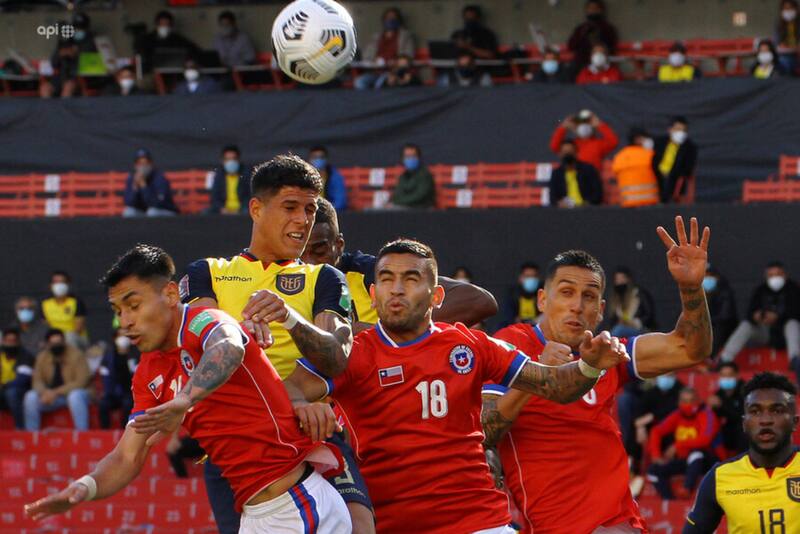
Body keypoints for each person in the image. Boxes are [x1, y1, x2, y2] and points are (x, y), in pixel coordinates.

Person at [286, 238, 630, 533]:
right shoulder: (351, 354)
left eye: (411, 278)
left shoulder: (470, 345)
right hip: (397, 523)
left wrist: (589, 365)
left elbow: (555, 385)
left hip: (480, 519)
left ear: (437, 296)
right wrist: (305, 404)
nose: (398, 288)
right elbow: (289, 391)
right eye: (387, 279)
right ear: (374, 293)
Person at [24, 245, 350, 532]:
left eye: (133, 305)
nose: (125, 322)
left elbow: (229, 347)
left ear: (168, 295)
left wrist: (184, 399)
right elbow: (127, 455)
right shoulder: (148, 374)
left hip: (298, 504)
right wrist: (85, 487)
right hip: (257, 515)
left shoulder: (204, 321)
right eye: (118, 311)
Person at [481, 216, 714, 533]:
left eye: (588, 297)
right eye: (566, 292)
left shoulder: (608, 353)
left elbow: (690, 349)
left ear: (601, 309)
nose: (577, 306)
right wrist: (535, 376)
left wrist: (690, 287)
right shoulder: (510, 345)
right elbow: (484, 432)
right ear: (542, 299)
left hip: (620, 524)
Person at [179, 154, 372, 534]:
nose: (303, 220)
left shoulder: (325, 277)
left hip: (313, 429)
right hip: (240, 443)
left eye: (310, 209)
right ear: (255, 208)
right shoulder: (209, 274)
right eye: (290, 207)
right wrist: (236, 334)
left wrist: (289, 318)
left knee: (360, 525)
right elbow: (197, 355)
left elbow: (336, 356)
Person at [301, 198, 497, 332]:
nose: (309, 262)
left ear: (339, 245)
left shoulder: (372, 272)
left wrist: (387, 333)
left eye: (319, 252)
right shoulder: (280, 276)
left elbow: (479, 301)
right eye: (301, 254)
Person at [683, 372, 800, 533]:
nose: (765, 420)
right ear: (744, 423)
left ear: (795, 422)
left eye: (777, 410)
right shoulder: (720, 477)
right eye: (755, 411)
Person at [719, 261, 800, 383]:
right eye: (771, 275)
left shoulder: (793, 289)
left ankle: (795, 360)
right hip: (766, 333)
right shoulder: (760, 290)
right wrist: (756, 316)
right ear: (766, 276)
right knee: (746, 325)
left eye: (778, 274)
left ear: (784, 275)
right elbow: (749, 313)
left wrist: (778, 317)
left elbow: (796, 313)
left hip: (785, 335)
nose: (775, 278)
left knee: (792, 324)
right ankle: (724, 360)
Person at [646, 387, 719, 500]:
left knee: (696, 453)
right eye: (685, 401)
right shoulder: (677, 414)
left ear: (698, 401)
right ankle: (669, 500)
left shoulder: (707, 414)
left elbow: (705, 439)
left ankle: (687, 489)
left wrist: (677, 445)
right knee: (653, 470)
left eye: (692, 400)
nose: (688, 404)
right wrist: (656, 455)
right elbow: (656, 431)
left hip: (706, 460)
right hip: (684, 461)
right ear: (679, 402)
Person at [23, 329, 91, 431]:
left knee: (75, 396)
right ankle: (32, 435)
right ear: (47, 344)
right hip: (51, 398)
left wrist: (55, 392)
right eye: (53, 343)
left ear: (64, 342)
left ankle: (82, 434)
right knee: (30, 397)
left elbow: (81, 381)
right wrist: (44, 392)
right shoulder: (42, 357)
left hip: (74, 396)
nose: (56, 345)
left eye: (59, 342)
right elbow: (37, 380)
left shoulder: (77, 355)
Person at [355, 7, 416, 90]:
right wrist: (374, 61)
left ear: (398, 20)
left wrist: (395, 63)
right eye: (388, 18)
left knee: (380, 84)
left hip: (393, 72)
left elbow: (407, 57)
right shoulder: (377, 37)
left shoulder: (405, 36)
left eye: (393, 18)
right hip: (376, 72)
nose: (390, 20)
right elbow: (366, 56)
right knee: (360, 82)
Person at [549, 109, 618, 173]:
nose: (584, 126)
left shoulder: (599, 144)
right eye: (580, 123)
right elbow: (554, 147)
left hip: (593, 179)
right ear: (575, 126)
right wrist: (563, 127)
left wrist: (600, 125)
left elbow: (613, 142)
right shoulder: (572, 145)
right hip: (574, 178)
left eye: (587, 123)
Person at [652, 116, 698, 204]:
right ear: (670, 129)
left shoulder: (690, 147)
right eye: (677, 129)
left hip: (678, 185)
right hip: (658, 181)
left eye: (683, 130)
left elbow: (688, 169)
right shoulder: (660, 143)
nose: (680, 133)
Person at [612, 127, 660, 207]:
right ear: (638, 139)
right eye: (645, 138)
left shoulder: (620, 156)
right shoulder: (650, 155)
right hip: (650, 205)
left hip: (627, 205)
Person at [97, 330, 137, 429]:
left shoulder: (135, 354)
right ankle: (104, 433)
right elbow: (104, 375)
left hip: (129, 393)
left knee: (128, 404)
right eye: (120, 335)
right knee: (103, 404)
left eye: (126, 335)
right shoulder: (108, 356)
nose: (123, 338)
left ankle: (125, 432)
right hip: (112, 392)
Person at [123, 148, 179, 217]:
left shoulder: (159, 178)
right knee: (129, 212)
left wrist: (143, 186)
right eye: (139, 163)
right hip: (146, 213)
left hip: (166, 212)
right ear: (135, 165)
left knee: (152, 212)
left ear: (151, 164)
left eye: (145, 163)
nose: (142, 166)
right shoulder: (132, 178)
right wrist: (135, 188)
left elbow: (157, 203)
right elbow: (129, 203)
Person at [604, 266, 656, 338]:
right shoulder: (616, 299)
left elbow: (649, 315)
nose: (620, 282)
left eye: (622, 278)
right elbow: (613, 320)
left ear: (628, 279)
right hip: (623, 328)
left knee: (618, 330)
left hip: (641, 329)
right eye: (617, 279)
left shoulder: (639, 294)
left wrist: (634, 323)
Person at [549, 139, 603, 207]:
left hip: (586, 210)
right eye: (565, 152)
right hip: (565, 211)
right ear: (560, 154)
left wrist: (585, 204)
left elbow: (598, 194)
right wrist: (559, 203)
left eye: (570, 151)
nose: (567, 154)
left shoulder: (588, 170)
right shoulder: (556, 174)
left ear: (576, 153)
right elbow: (552, 198)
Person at [708, 362, 747, 456]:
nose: (726, 378)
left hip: (743, 434)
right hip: (726, 434)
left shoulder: (746, 391)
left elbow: (742, 417)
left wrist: (721, 406)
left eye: (730, 375)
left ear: (737, 376)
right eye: (723, 375)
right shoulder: (718, 394)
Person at [42, 271, 88, 348]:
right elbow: (45, 327)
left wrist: (60, 339)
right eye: (56, 282)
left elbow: (78, 328)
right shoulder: (45, 304)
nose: (59, 285)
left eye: (62, 282)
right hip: (53, 339)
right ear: (50, 285)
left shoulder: (76, 302)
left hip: (76, 339)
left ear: (68, 285)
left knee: (69, 337)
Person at [567, 0, 619, 68]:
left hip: (601, 62)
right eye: (590, 8)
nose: (593, 11)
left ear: (600, 10)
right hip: (582, 63)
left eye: (595, 8)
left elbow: (612, 47)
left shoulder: (608, 28)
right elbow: (571, 46)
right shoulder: (580, 28)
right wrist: (583, 33)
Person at [0, 328, 34, 429]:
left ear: (19, 342)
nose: (10, 344)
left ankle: (20, 428)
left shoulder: (26, 356)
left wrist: (4, 386)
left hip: (20, 390)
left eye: (13, 341)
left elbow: (22, 380)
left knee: (12, 393)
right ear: (2, 341)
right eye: (7, 341)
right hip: (2, 389)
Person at [703, 264, 738, 357]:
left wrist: (707, 321)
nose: (707, 278)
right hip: (704, 327)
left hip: (723, 328)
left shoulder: (725, 292)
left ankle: (711, 358)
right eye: (704, 276)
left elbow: (725, 316)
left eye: (710, 275)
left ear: (717, 277)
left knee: (718, 328)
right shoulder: (696, 293)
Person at [389, 144, 436, 209]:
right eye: (407, 156)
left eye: (413, 156)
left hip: (421, 209)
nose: (411, 159)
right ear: (402, 159)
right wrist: (393, 202)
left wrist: (398, 202)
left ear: (419, 158)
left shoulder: (425, 174)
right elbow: (397, 194)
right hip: (404, 207)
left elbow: (420, 196)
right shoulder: (403, 176)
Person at [208, 145, 251, 215]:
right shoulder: (218, 176)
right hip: (223, 210)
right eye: (227, 159)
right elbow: (214, 197)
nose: (231, 162)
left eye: (234, 159)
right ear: (223, 161)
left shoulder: (246, 175)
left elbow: (250, 195)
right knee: (206, 213)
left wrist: (240, 209)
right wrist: (221, 209)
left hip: (242, 210)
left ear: (238, 160)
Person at [501, 262, 542, 327]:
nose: (531, 280)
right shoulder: (512, 294)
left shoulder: (543, 295)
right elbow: (508, 317)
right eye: (527, 276)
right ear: (520, 278)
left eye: (534, 277)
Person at [308, 146, 348, 211]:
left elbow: (340, 202)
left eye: (321, 157)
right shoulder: (304, 176)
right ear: (310, 159)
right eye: (315, 157)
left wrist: (326, 211)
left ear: (326, 159)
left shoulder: (335, 177)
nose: (318, 160)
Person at [776, 0, 799, 75]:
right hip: (786, 54)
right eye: (785, 9)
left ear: (796, 9)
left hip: (798, 53)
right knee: (784, 61)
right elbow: (776, 41)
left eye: (790, 8)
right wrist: (780, 44)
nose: (788, 11)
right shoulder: (779, 25)